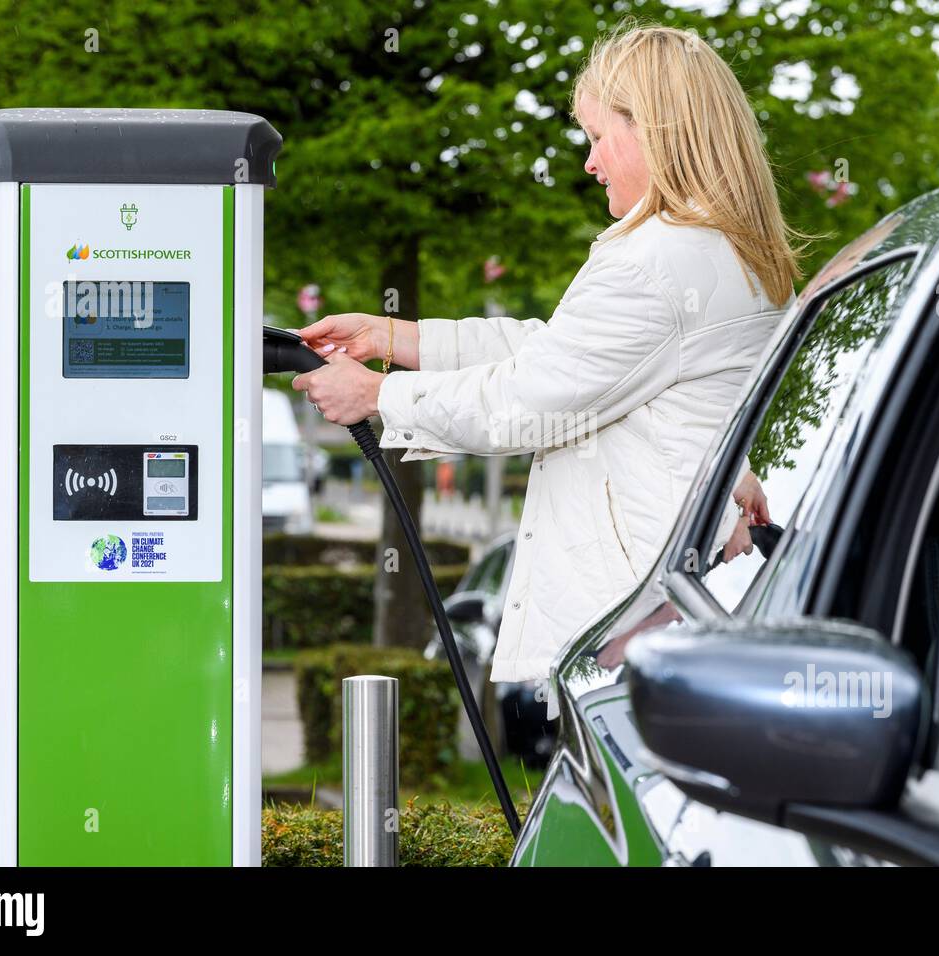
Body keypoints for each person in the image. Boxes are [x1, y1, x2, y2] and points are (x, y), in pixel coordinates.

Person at [292, 23, 804, 685]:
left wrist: (376, 395)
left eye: (598, 136)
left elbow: (527, 399)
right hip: (683, 596)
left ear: (656, 129)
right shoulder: (728, 249)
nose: (589, 163)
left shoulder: (655, 262)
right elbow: (566, 353)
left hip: (635, 620)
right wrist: (397, 340)